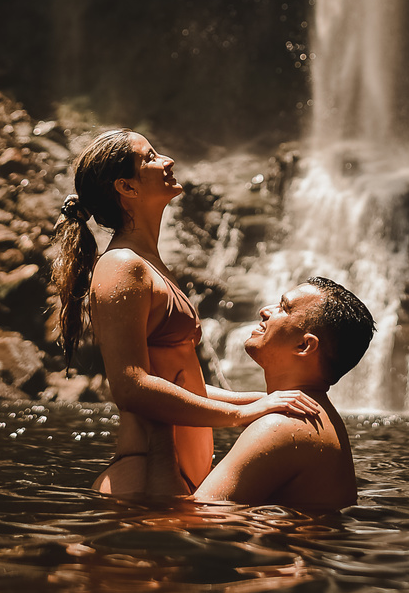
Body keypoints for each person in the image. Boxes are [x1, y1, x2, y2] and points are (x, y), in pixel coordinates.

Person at [49, 129, 321, 496]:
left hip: (173, 476)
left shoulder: (149, 263)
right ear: (127, 188)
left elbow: (182, 383)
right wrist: (241, 416)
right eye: (150, 157)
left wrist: (259, 400)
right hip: (146, 475)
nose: (167, 161)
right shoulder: (121, 265)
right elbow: (131, 387)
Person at [189, 277, 373, 510]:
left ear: (304, 346)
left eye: (283, 308)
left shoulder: (280, 426)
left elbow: (200, 515)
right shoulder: (314, 414)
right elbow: (188, 391)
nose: (264, 311)